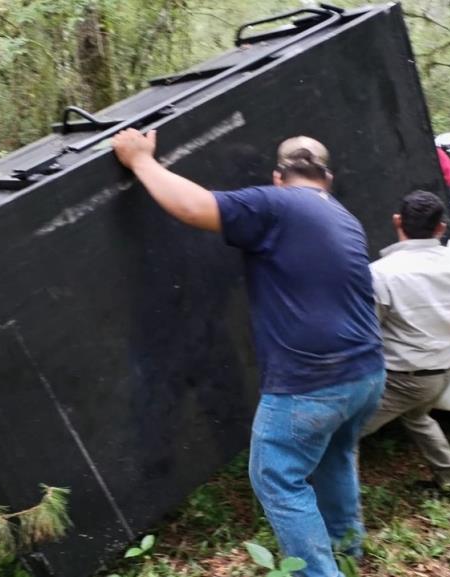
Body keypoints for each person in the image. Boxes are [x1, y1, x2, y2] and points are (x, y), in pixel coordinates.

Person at [112, 129, 385, 577]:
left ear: (278, 178)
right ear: (328, 178)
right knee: (335, 456)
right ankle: (347, 550)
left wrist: (141, 161)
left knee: (276, 475)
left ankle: (319, 572)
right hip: (367, 373)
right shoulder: (345, 218)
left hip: (311, 384)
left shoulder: (275, 204)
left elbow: (193, 207)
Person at [363, 190, 450, 491]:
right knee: (418, 417)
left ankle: (344, 520)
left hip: (403, 378)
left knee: (342, 434)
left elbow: (369, 329)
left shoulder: (380, 273)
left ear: (397, 221)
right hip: (443, 370)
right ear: (441, 227)